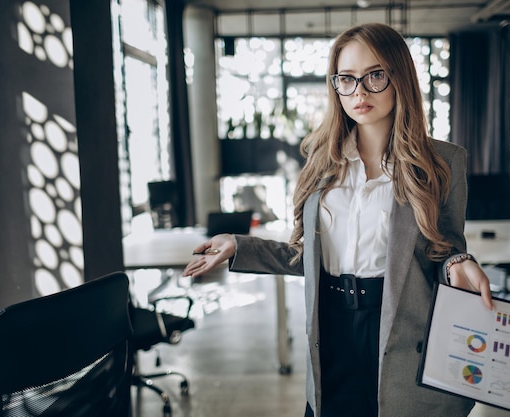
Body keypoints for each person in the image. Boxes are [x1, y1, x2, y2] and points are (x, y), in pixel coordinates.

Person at [183, 22, 494, 417]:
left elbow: (443, 248)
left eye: (375, 76)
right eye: (346, 79)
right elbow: (307, 257)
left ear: (399, 77)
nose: (359, 92)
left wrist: (457, 263)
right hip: (331, 332)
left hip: (400, 330)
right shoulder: (321, 162)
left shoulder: (443, 162)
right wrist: (238, 245)